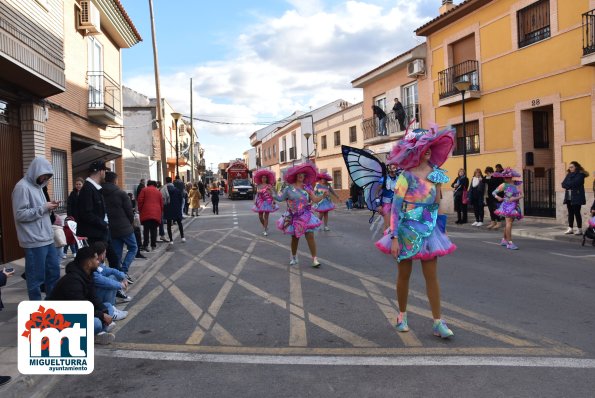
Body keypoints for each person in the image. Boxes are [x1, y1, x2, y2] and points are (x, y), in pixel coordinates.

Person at [375, 126, 457, 339]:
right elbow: (394, 207)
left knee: (432, 277)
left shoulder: (437, 173)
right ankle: (402, 316)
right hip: (405, 230)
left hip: (430, 231)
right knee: (404, 274)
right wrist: (393, 237)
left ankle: (438, 322)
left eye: (430, 146)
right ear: (414, 150)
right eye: (424, 147)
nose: (428, 150)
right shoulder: (406, 176)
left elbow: (437, 203)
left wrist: (441, 229)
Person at [12, 156, 60, 300]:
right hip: (33, 240)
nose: (45, 177)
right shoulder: (21, 187)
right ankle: (37, 311)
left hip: (47, 238)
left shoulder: (38, 187)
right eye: (43, 174)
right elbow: (20, 214)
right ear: (36, 171)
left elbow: (39, 210)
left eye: (48, 176)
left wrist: (49, 207)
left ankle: (51, 305)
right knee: (36, 278)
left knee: (54, 273)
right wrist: (44, 207)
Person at [49, 246, 116, 345]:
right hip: (59, 320)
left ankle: (94, 334)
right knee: (96, 322)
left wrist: (104, 312)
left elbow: (94, 297)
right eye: (96, 259)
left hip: (76, 313)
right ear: (89, 263)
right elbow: (80, 307)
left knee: (109, 307)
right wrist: (102, 316)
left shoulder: (88, 273)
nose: (99, 262)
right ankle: (91, 335)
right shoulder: (72, 281)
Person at [271, 163, 325, 267]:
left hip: (306, 215)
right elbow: (280, 199)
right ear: (295, 175)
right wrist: (272, 194)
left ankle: (315, 259)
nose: (301, 176)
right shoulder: (288, 189)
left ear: (305, 176)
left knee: (310, 236)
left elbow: (315, 199)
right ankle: (294, 257)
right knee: (295, 237)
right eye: (299, 174)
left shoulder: (307, 188)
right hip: (294, 216)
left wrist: (323, 195)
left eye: (303, 174)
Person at [76, 160, 120, 270]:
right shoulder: (88, 189)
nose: (105, 173)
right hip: (96, 233)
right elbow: (86, 213)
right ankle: (102, 284)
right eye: (104, 170)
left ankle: (116, 281)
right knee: (97, 263)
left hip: (101, 231)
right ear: (100, 171)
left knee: (113, 259)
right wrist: (103, 224)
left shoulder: (95, 188)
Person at [102, 171, 136, 283]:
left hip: (110, 227)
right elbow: (129, 212)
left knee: (117, 254)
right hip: (124, 227)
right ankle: (123, 271)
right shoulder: (121, 193)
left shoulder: (100, 193)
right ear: (115, 180)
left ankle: (117, 275)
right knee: (133, 247)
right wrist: (130, 223)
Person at [492, 167, 523, 250]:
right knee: (509, 223)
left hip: (515, 205)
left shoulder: (517, 183)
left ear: (511, 176)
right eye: (505, 177)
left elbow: (522, 195)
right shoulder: (503, 185)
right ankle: (510, 243)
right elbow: (493, 192)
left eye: (508, 177)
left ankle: (504, 240)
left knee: (509, 223)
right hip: (507, 205)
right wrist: (497, 197)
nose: (506, 179)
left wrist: (514, 199)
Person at [92, 242, 132, 308]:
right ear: (101, 255)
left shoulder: (97, 264)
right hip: (92, 301)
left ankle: (112, 304)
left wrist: (123, 277)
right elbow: (104, 281)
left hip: (94, 296)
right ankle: (110, 308)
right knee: (111, 280)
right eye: (104, 253)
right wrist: (120, 285)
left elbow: (110, 270)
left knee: (114, 276)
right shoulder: (92, 268)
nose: (105, 255)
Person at [561, 161, 588, 235]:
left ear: (576, 167)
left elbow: (576, 183)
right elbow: (563, 184)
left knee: (577, 213)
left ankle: (579, 229)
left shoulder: (580, 175)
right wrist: (569, 185)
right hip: (569, 196)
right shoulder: (568, 175)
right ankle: (570, 228)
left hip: (577, 196)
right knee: (570, 213)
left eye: (571, 167)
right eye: (569, 167)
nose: (570, 168)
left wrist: (568, 184)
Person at [138, 180, 163, 252]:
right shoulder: (158, 192)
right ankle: (153, 246)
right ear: (155, 185)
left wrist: (140, 210)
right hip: (156, 213)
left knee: (146, 229)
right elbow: (161, 203)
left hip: (146, 212)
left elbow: (140, 200)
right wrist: (160, 212)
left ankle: (145, 245)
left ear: (148, 184)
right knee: (154, 230)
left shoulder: (144, 190)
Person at [252, 169, 279, 236]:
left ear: (267, 178)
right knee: (260, 217)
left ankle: (265, 230)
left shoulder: (269, 186)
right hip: (260, 202)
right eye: (262, 177)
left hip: (268, 202)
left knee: (266, 216)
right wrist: (255, 201)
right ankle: (265, 226)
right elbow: (257, 194)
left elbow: (271, 194)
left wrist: (273, 200)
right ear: (261, 179)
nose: (263, 179)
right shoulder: (258, 186)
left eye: (265, 177)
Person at [376, 164, 401, 231]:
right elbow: (377, 193)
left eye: (396, 167)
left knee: (395, 225)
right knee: (388, 225)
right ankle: (387, 239)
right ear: (389, 168)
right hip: (386, 204)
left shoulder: (399, 179)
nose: (395, 169)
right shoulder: (384, 179)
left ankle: (389, 239)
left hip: (396, 204)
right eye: (393, 167)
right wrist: (378, 205)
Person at [164, 177, 185, 245]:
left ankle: (171, 240)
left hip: (168, 209)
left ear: (166, 182)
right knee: (179, 223)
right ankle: (182, 237)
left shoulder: (164, 190)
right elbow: (181, 200)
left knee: (169, 225)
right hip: (176, 208)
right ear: (172, 181)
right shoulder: (177, 190)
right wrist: (179, 207)